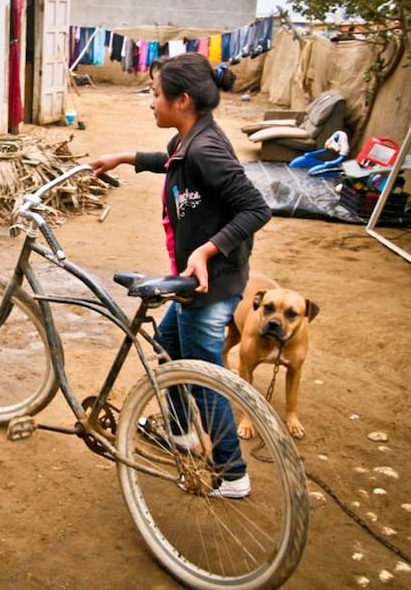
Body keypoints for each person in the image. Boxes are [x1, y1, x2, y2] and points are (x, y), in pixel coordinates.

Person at [89, 52, 271, 499]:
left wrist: (207, 250)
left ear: (182, 100)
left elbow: (256, 208)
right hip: (197, 285)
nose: (151, 103)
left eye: (155, 94)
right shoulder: (188, 141)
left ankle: (232, 474)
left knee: (204, 378)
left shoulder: (206, 149)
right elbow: (166, 160)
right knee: (168, 347)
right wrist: (123, 157)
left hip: (211, 288)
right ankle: (181, 433)